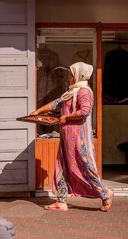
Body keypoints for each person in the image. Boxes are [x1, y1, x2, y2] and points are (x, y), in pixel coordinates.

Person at [30, 62, 114, 212]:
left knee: (83, 167)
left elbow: (84, 111)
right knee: (61, 167)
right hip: (67, 137)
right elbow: (57, 102)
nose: (69, 77)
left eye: (71, 74)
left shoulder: (84, 92)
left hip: (77, 138)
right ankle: (61, 201)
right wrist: (38, 111)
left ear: (79, 75)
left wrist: (66, 117)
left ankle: (105, 194)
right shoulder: (72, 91)